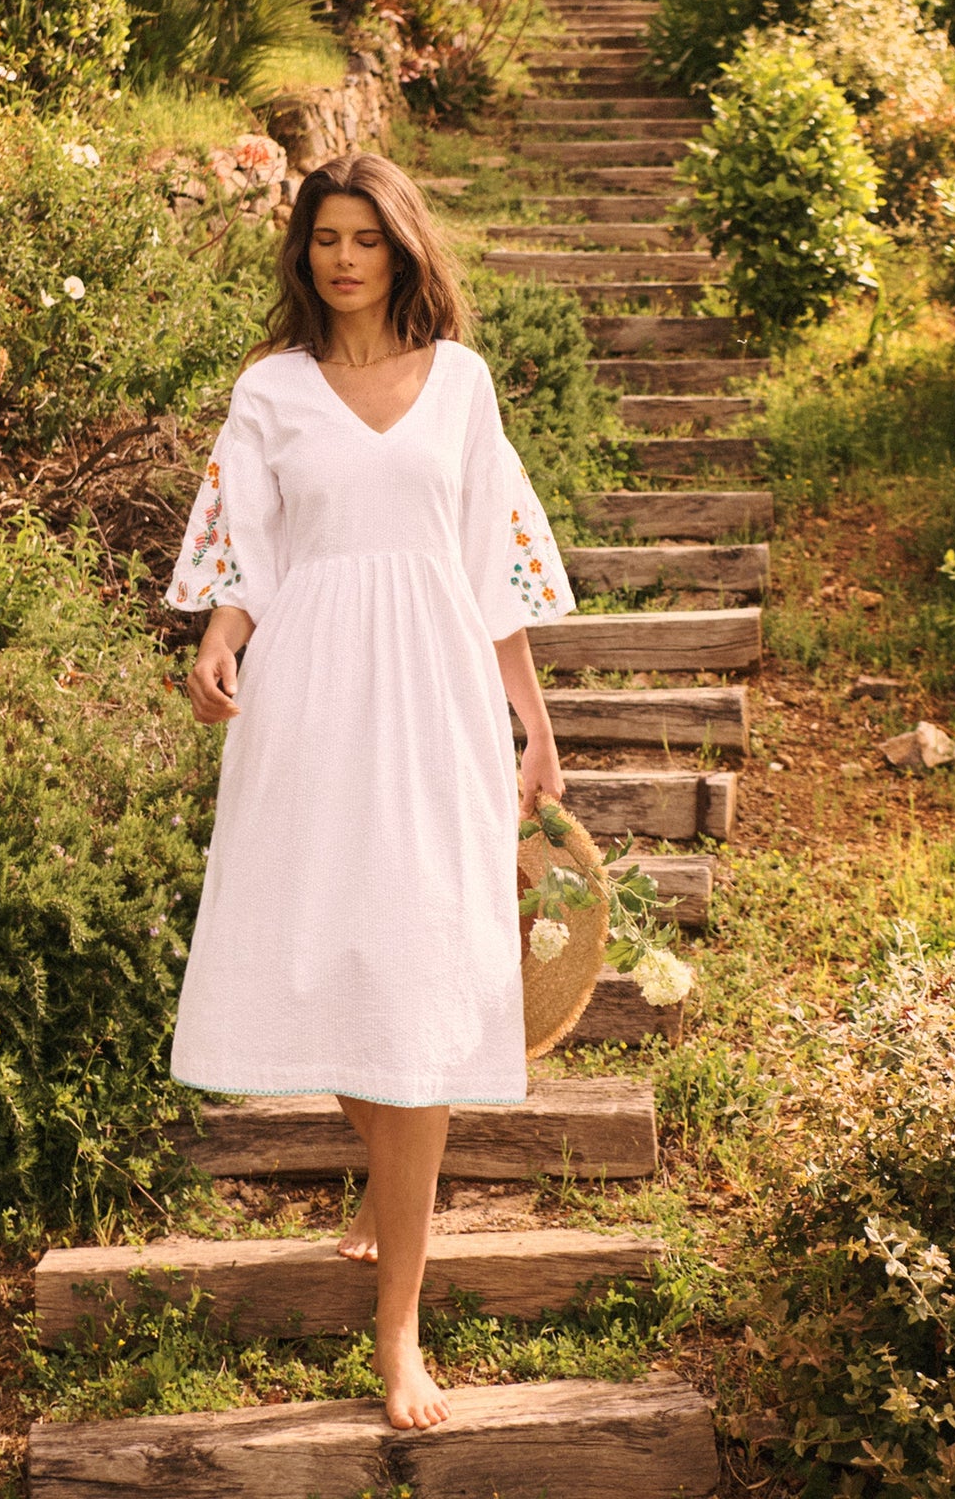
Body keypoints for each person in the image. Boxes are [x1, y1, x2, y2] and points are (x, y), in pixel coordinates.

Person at [164, 151, 574, 1431]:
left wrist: (536, 731)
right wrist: (222, 633)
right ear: (305, 253)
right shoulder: (272, 390)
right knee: (327, 960)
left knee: (416, 966)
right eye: (324, 238)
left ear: (402, 246)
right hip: (309, 698)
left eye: (366, 238)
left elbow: (491, 567)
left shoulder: (460, 384)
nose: (344, 258)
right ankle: (387, 1169)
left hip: (439, 692)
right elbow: (250, 547)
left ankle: (400, 1328)